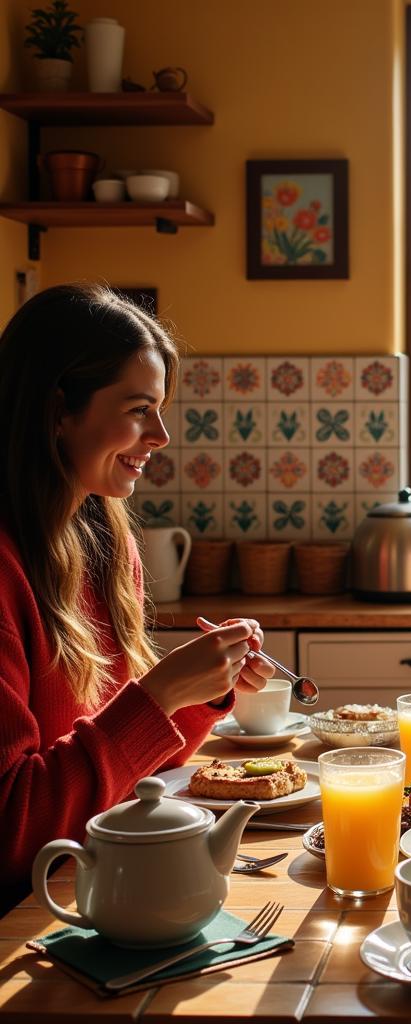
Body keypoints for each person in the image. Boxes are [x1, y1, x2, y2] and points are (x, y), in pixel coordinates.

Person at [0, 284, 275, 911]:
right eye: (138, 409)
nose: (161, 434)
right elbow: (14, 829)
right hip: (30, 915)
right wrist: (159, 694)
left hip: (99, 888)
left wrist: (201, 695)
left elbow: (127, 777)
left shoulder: (101, 536)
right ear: (58, 411)